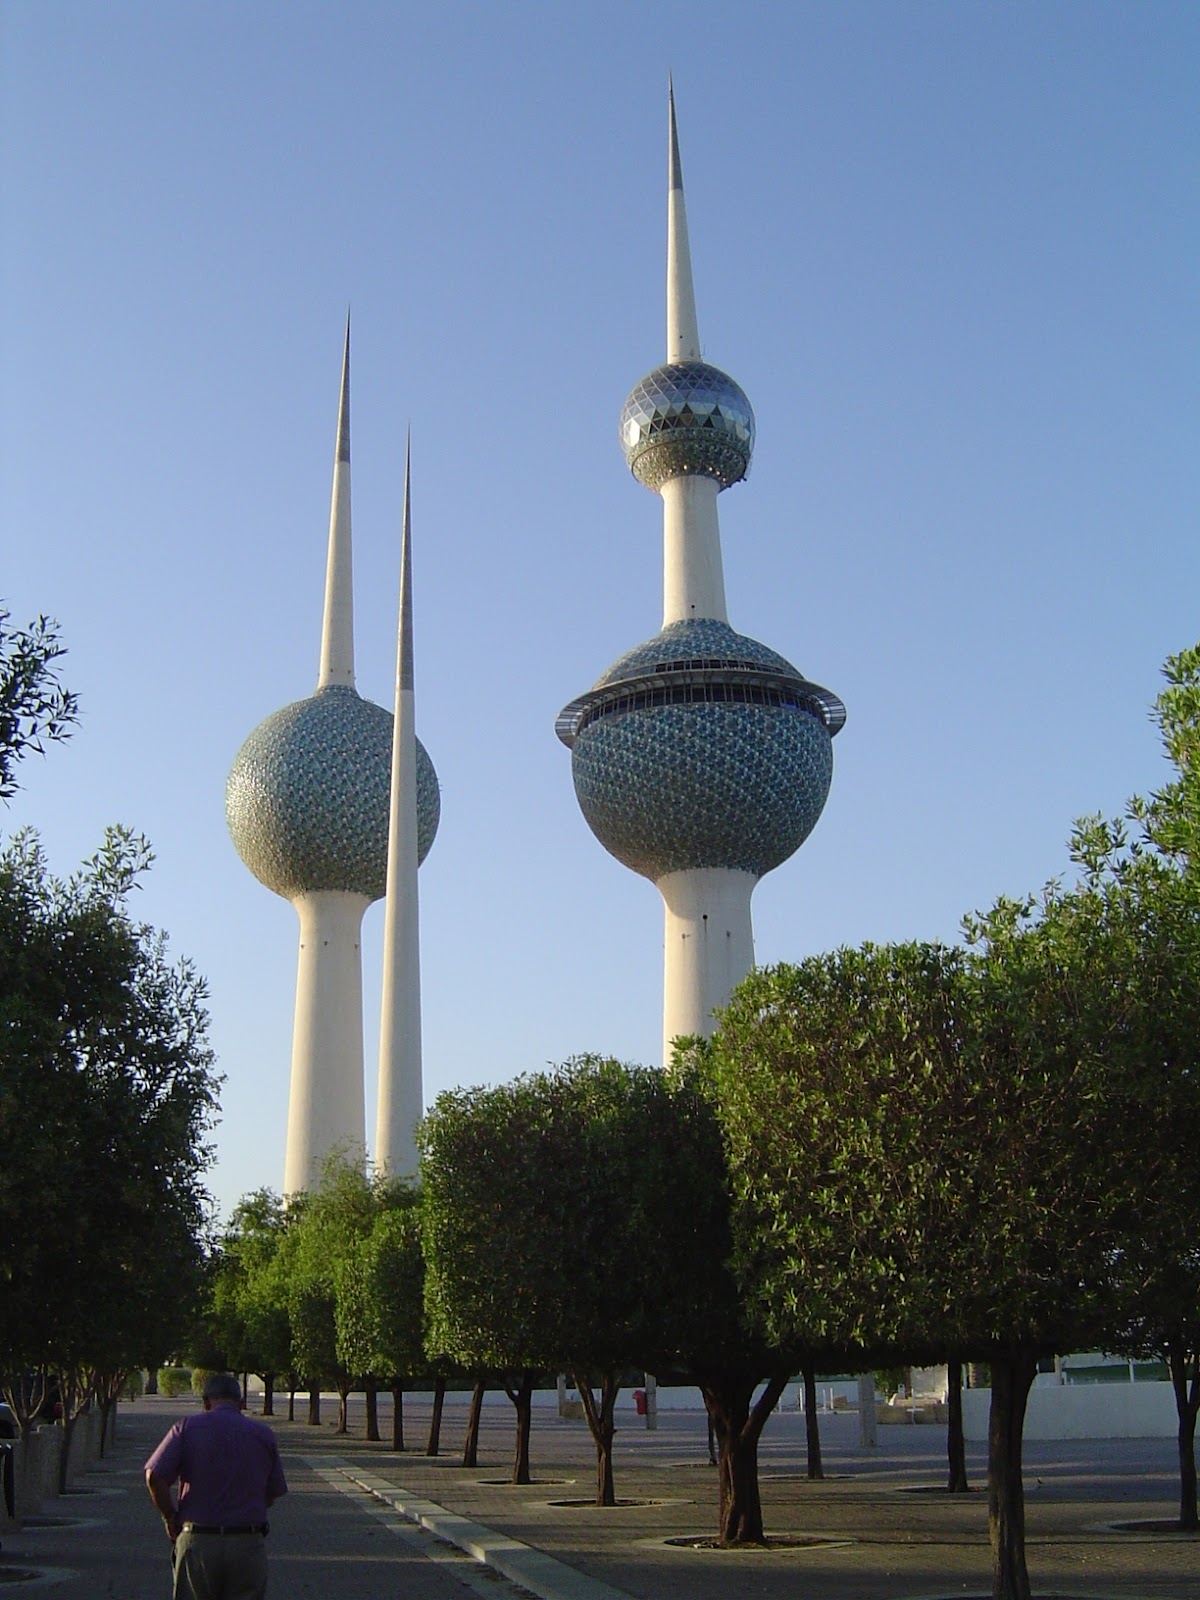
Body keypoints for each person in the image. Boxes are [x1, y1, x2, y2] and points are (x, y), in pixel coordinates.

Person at [145, 1372, 288, 1600]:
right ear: (241, 1403)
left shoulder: (185, 1429)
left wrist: (169, 1516)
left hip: (198, 1540)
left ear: (206, 1402)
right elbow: (272, 1492)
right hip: (247, 1542)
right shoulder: (263, 1435)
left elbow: (154, 1475)